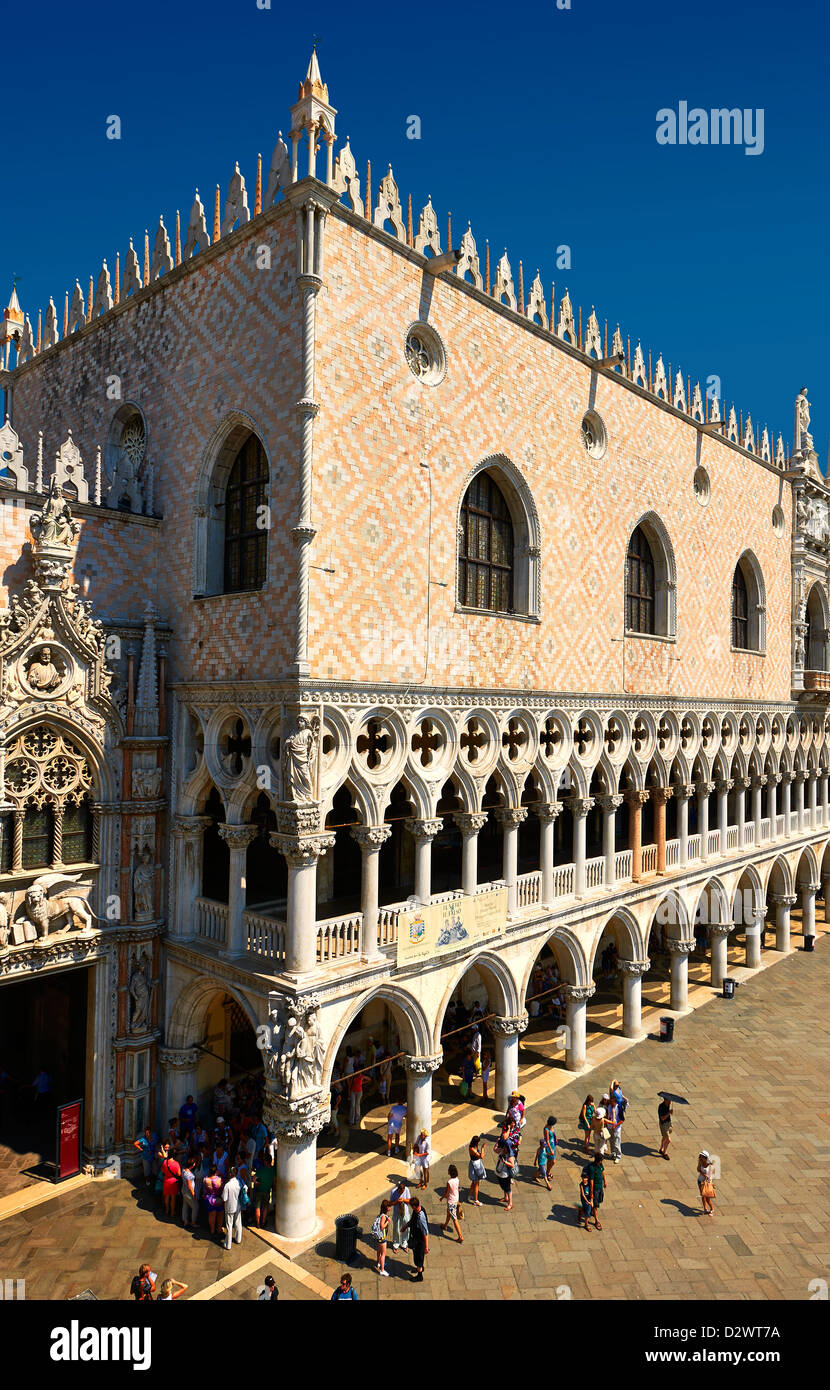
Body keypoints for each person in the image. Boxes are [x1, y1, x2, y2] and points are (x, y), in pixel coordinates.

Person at [404, 1196, 430, 1281]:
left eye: (412, 1206)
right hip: (416, 1239)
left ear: (414, 1206)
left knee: (419, 1258)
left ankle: (420, 1276)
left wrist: (426, 1247)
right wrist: (406, 1226)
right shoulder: (417, 1210)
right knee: (417, 1256)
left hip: (420, 1241)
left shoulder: (421, 1217)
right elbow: (412, 1220)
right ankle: (420, 1267)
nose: (411, 1208)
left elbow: (425, 1233)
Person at [252, 1151, 275, 1227]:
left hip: (259, 1190)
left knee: (257, 1207)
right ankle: (263, 1222)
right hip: (267, 1190)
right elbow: (274, 1180)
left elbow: (254, 1179)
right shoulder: (273, 1170)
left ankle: (258, 1224)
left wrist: (256, 1183)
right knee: (265, 1206)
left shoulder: (261, 1170)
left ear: (265, 1161)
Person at [222, 1165, 243, 1249]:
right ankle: (238, 1239)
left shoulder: (227, 1185)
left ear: (230, 1174)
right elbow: (245, 1188)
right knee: (238, 1223)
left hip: (230, 1207)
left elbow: (224, 1198)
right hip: (238, 1206)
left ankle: (228, 1244)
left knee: (229, 1225)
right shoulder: (239, 1182)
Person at [442, 1164, 463, 1242]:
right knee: (449, 1213)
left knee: (454, 1219)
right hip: (455, 1199)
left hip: (451, 1201)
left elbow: (447, 1192)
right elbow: (457, 1189)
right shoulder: (457, 1179)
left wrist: (442, 1197)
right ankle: (445, 1226)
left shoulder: (449, 1182)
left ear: (450, 1172)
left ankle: (460, 1236)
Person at [202, 1163, 224, 1239]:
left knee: (212, 1214)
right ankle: (219, 1229)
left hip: (208, 1199)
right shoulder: (219, 1179)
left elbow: (204, 1190)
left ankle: (212, 1230)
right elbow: (221, 1189)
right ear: (216, 1171)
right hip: (218, 1199)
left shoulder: (205, 1179)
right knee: (220, 1214)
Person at [586, 1153, 606, 1230]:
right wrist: (591, 1193)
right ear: (599, 1161)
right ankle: (596, 1221)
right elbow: (591, 1181)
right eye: (601, 1160)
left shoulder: (600, 1165)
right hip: (595, 1189)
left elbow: (602, 1172)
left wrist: (604, 1181)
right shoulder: (592, 1168)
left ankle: (592, 1211)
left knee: (599, 1201)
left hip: (600, 1187)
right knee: (596, 1205)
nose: (602, 1162)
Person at [161, 1147, 182, 1220]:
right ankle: (172, 1212)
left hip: (166, 1180)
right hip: (173, 1182)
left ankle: (167, 1210)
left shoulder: (164, 1162)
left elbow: (162, 1171)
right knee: (173, 1198)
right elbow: (179, 1174)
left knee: (167, 1196)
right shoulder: (176, 1164)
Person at [495, 1138, 516, 1211]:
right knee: (503, 1187)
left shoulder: (510, 1156)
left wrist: (505, 1162)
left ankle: (510, 1204)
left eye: (505, 1146)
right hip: (499, 1173)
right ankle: (505, 1197)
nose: (503, 1147)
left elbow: (512, 1165)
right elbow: (495, 1150)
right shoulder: (501, 1150)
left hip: (505, 1175)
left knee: (508, 1189)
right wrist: (497, 1143)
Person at [373, 1198, 391, 1276]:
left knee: (379, 1251)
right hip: (382, 1238)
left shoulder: (380, 1214)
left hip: (378, 1237)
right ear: (386, 1208)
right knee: (383, 1254)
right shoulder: (384, 1217)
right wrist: (388, 1221)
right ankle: (382, 1270)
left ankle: (379, 1263)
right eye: (389, 1206)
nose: (390, 1207)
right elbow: (382, 1227)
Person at [467, 1135, 486, 1206]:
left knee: (474, 1182)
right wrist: (483, 1148)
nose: (479, 1143)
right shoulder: (472, 1149)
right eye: (478, 1142)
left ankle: (470, 1195)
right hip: (475, 1166)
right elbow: (481, 1156)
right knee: (476, 1183)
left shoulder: (473, 1146)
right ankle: (476, 1200)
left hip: (476, 1164)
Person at [181, 1158, 198, 1228]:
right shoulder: (189, 1175)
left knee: (185, 1205)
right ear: (193, 1165)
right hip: (188, 1192)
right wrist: (193, 1194)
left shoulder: (183, 1170)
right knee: (195, 1207)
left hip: (183, 1190)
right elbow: (189, 1185)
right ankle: (193, 1222)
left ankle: (185, 1220)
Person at [697, 1150, 715, 1216]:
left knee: (707, 1198)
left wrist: (705, 1176)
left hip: (707, 1183)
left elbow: (709, 1177)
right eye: (700, 1156)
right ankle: (705, 1209)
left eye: (702, 1156)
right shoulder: (700, 1161)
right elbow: (698, 1169)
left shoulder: (710, 1166)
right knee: (703, 1196)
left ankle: (712, 1209)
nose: (700, 1157)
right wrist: (704, 1174)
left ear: (706, 1157)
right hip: (700, 1181)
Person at [579, 1166, 594, 1232]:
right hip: (584, 1199)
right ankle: (586, 1224)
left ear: (587, 1178)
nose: (584, 1179)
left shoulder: (589, 1184)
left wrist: (591, 1200)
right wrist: (588, 1202)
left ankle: (581, 1212)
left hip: (589, 1199)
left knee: (586, 1209)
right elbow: (582, 1194)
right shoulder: (581, 1184)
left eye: (585, 1178)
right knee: (588, 1211)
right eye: (583, 1178)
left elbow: (591, 1192)